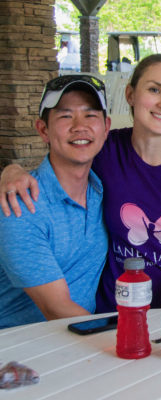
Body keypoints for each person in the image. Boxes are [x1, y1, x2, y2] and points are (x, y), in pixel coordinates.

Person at [0, 54, 161, 311]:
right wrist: (10, 171)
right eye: (154, 89)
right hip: (113, 315)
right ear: (130, 94)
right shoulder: (103, 151)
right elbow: (61, 160)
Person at [0, 75, 110, 328]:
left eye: (90, 115)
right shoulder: (21, 205)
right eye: (65, 116)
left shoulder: (103, 188)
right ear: (43, 130)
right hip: (21, 350)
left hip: (79, 344)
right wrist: (125, 337)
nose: (79, 126)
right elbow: (56, 308)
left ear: (106, 128)